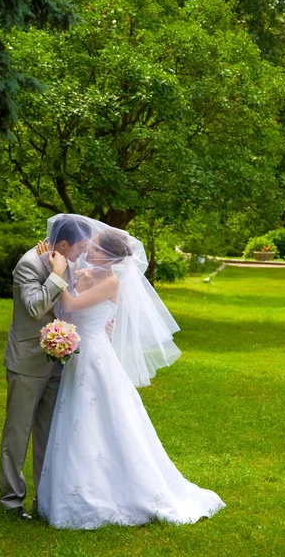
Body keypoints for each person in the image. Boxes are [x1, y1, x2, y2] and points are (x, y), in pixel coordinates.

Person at [37, 215, 226, 529]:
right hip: (78, 357)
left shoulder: (111, 282)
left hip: (96, 359)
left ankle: (114, 492)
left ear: (110, 256)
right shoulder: (83, 273)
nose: (88, 250)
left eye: (95, 248)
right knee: (74, 421)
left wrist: (51, 268)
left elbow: (69, 305)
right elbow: (63, 309)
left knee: (99, 419)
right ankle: (69, 488)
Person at [0, 215, 92, 520]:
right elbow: (36, 306)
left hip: (59, 361)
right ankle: (11, 502)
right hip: (27, 360)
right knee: (18, 432)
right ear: (63, 244)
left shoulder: (69, 261)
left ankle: (45, 500)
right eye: (79, 247)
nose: (82, 253)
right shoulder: (29, 264)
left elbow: (72, 304)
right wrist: (55, 274)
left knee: (49, 434)